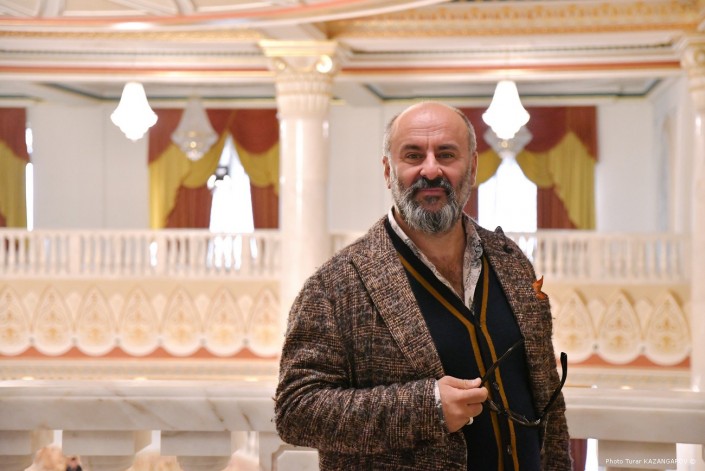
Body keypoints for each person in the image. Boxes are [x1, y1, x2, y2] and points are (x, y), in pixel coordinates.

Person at [275, 101, 572, 470]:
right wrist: (425, 406)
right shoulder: (335, 286)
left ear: (473, 167)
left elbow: (547, 398)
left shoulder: (511, 262)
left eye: (446, 154)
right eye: (413, 155)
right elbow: (296, 411)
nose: (431, 170)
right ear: (388, 171)